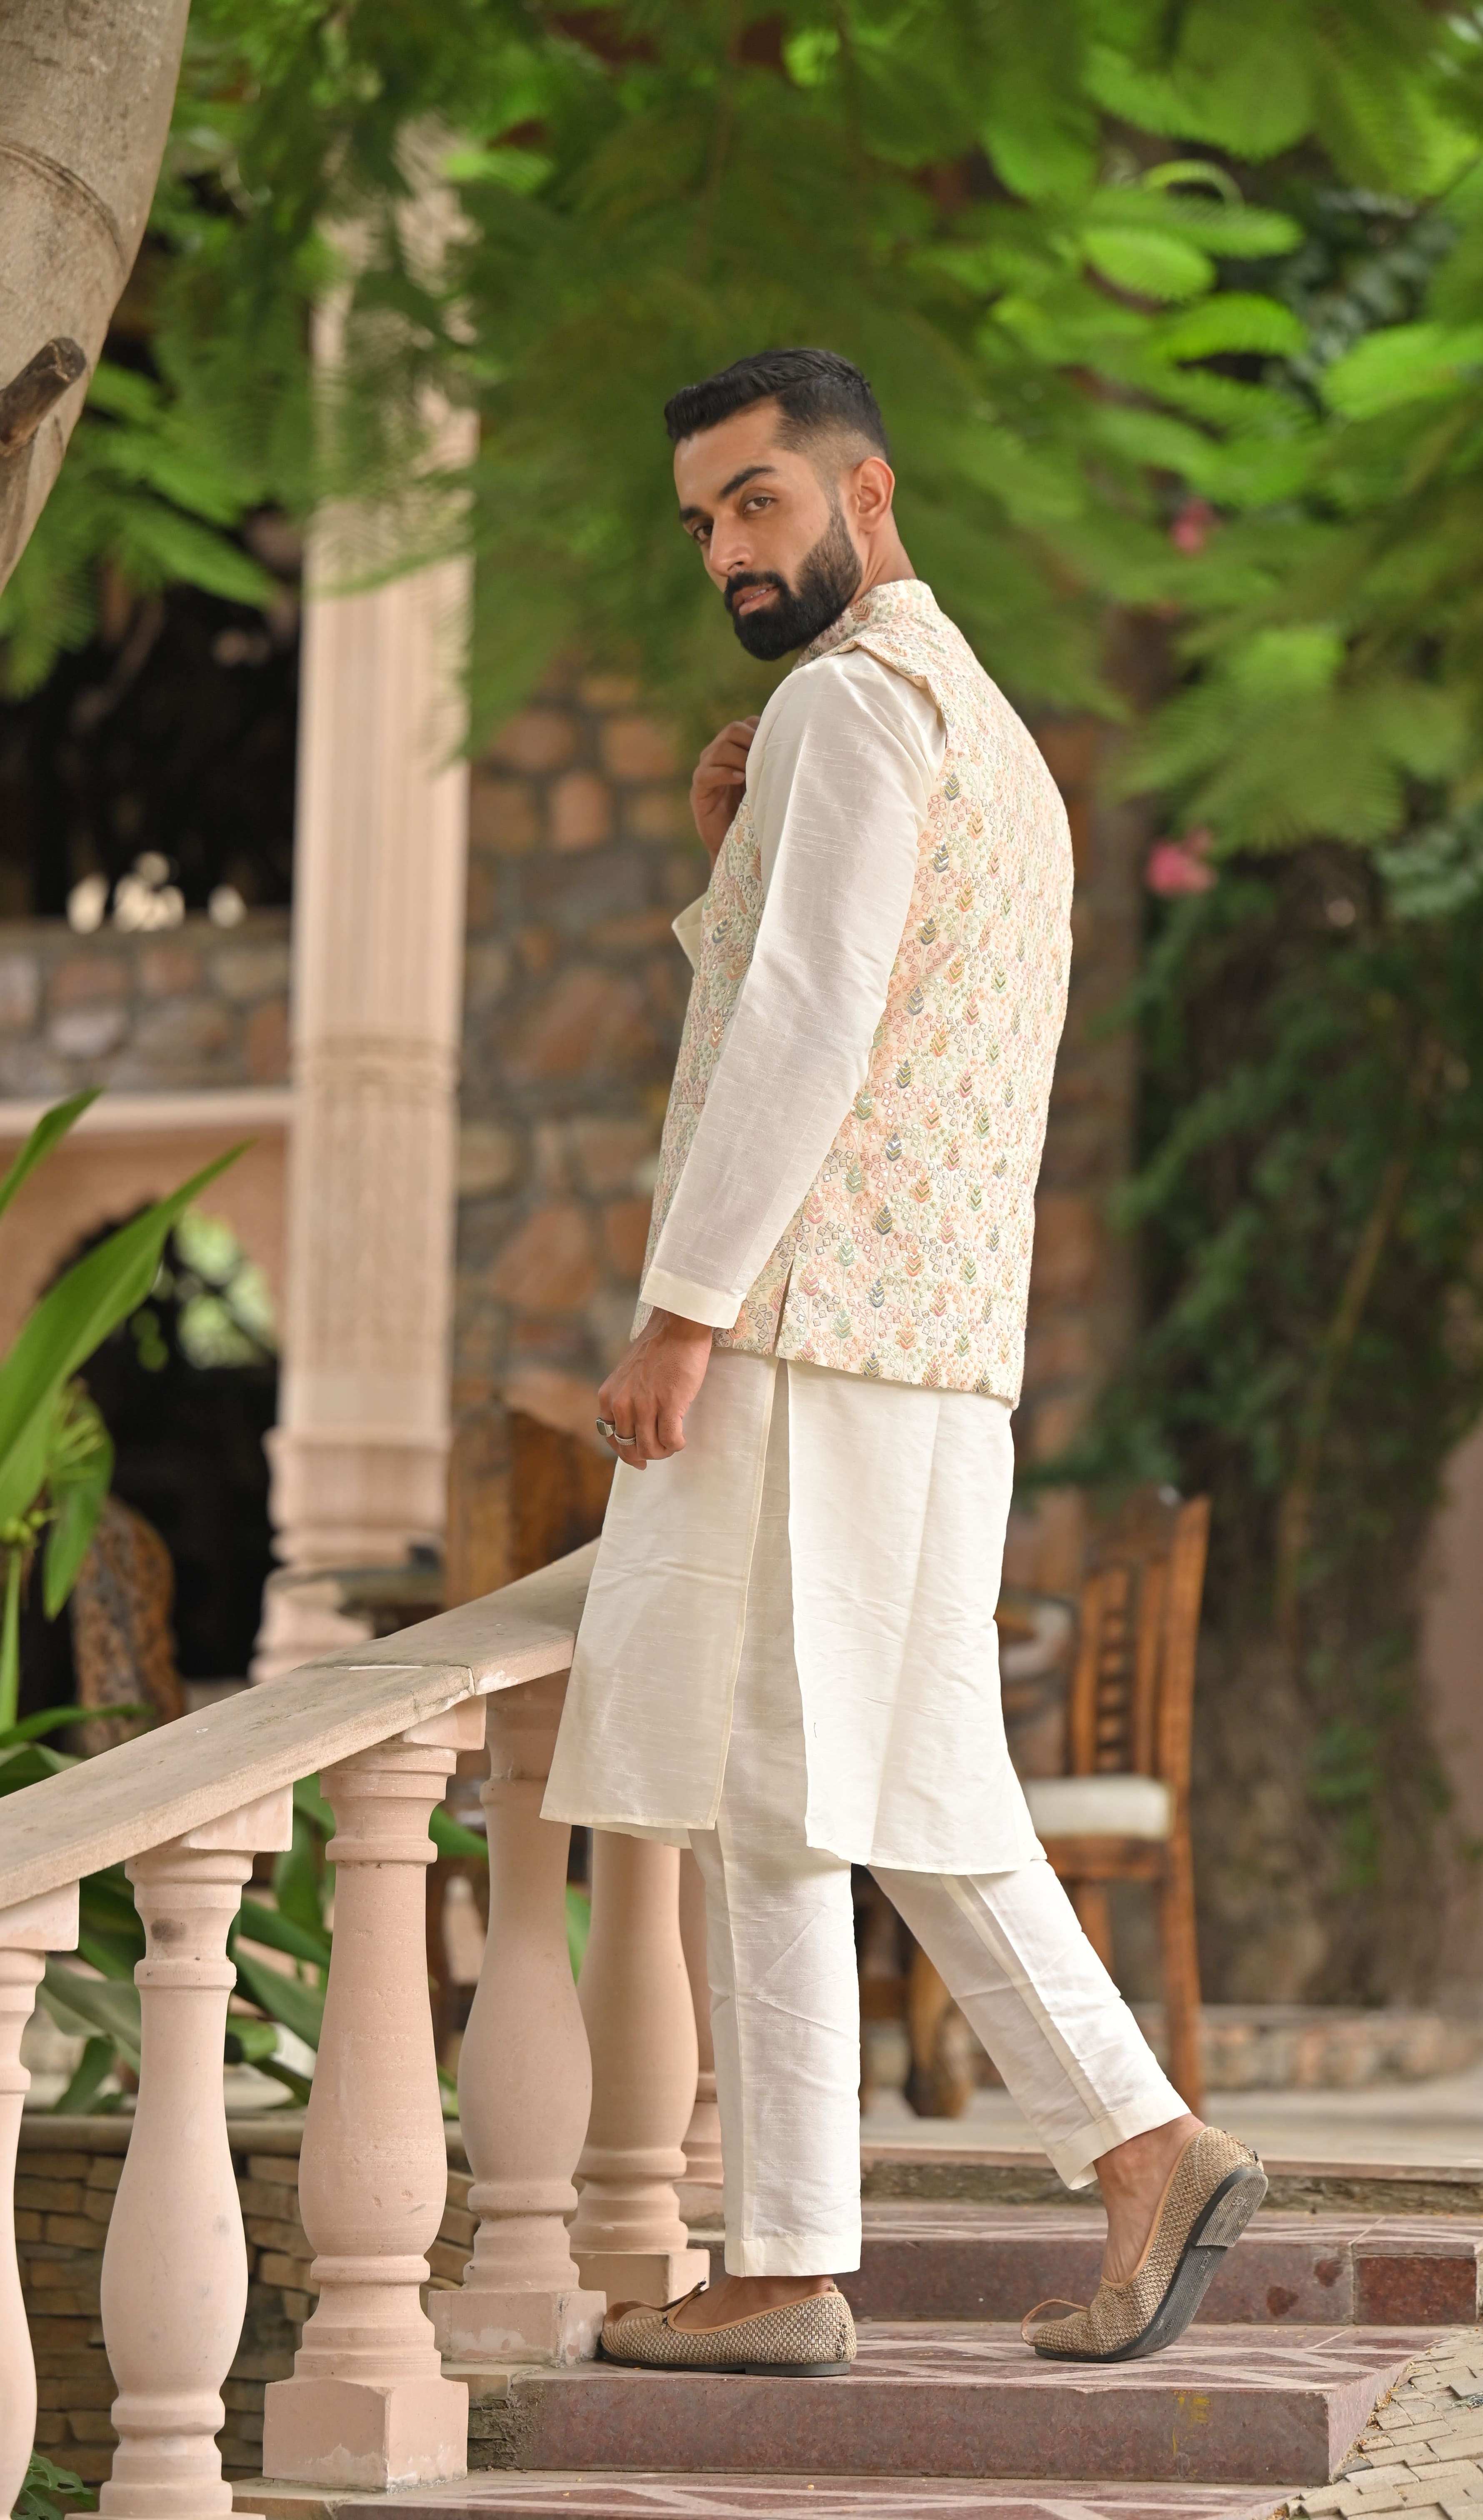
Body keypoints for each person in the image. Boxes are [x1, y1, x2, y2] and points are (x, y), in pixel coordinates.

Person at [542, 346, 1263, 2378]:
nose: (727, 551)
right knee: (859, 1782)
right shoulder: (985, 732)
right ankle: (1101, 2161)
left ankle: (839, 2251)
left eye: (758, 502)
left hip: (812, 1332)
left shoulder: (850, 703)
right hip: (935, 1347)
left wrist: (682, 1312)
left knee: (795, 1783)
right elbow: (859, 987)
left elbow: (807, 1029)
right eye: (704, 521)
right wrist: (734, 857)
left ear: (867, 495)